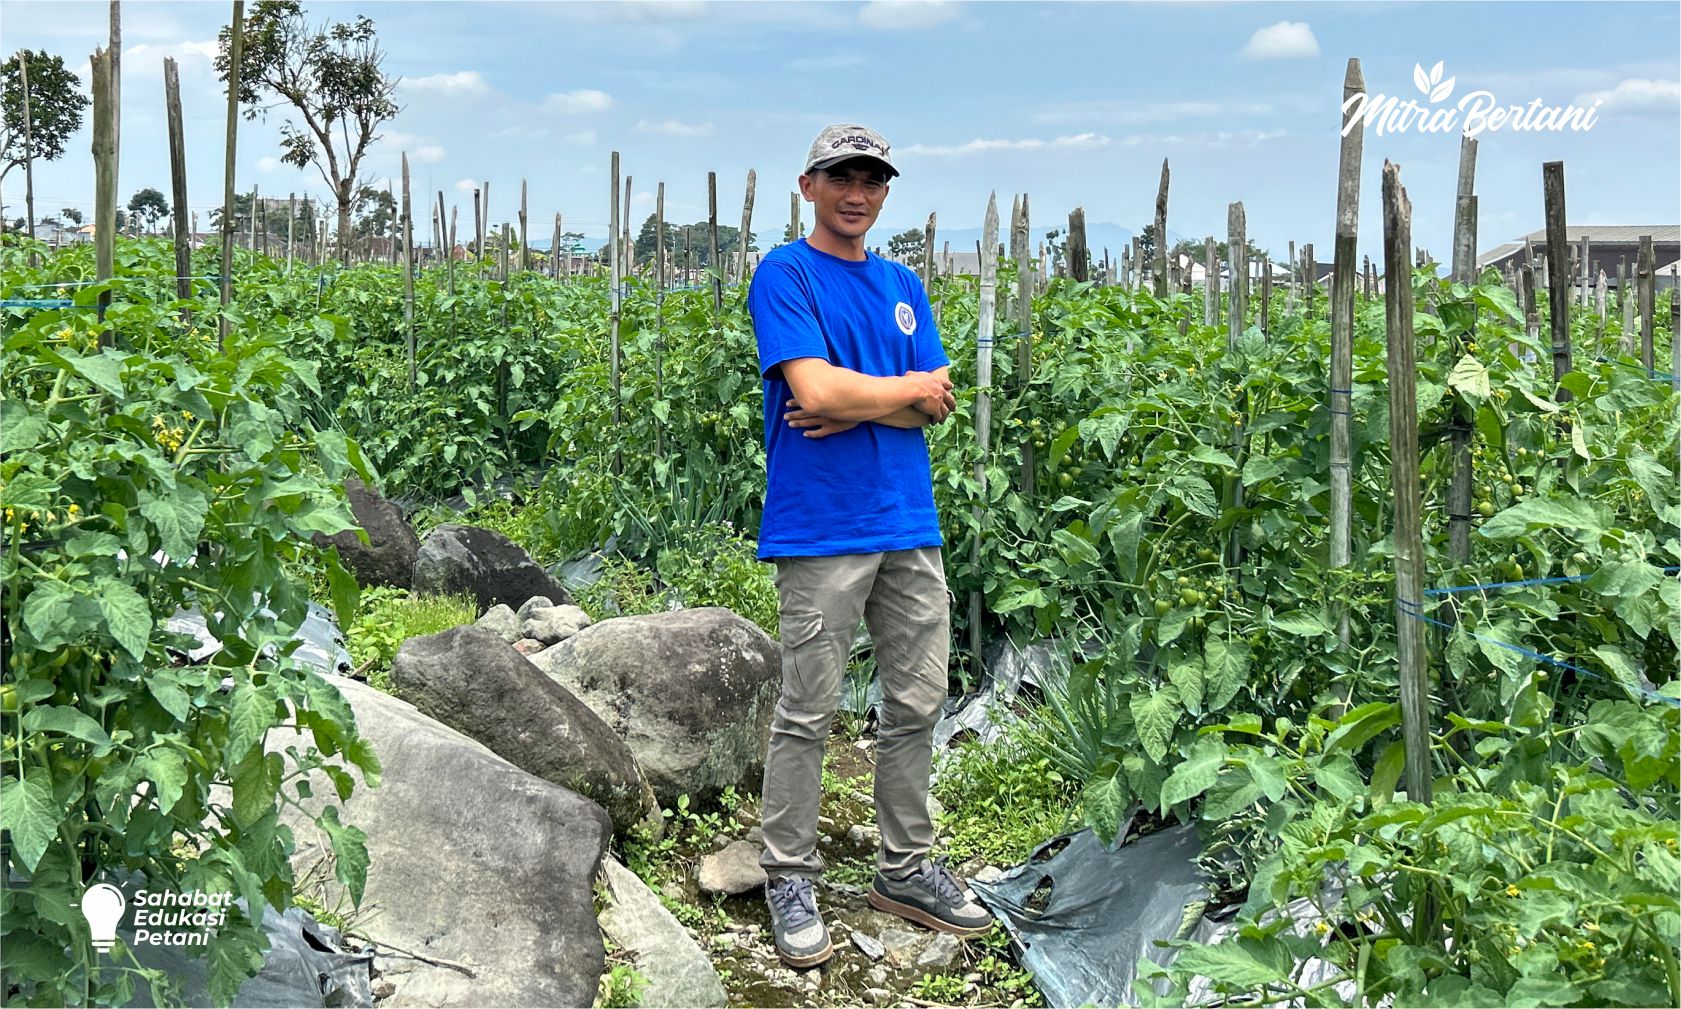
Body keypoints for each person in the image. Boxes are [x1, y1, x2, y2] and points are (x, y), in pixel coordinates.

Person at [747, 124, 991, 969]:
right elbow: (810, 388)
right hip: (820, 528)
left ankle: (905, 868)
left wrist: (862, 400)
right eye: (840, 176)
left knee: (917, 703)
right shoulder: (785, 272)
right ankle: (787, 872)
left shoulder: (903, 283)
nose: (857, 192)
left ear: (885, 193)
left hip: (907, 523)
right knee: (808, 710)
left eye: (872, 179)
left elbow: (938, 401)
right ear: (807, 185)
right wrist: (895, 392)